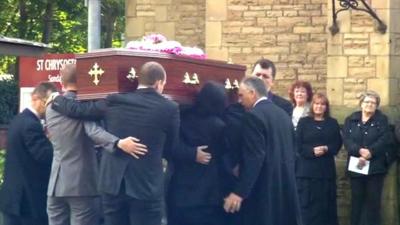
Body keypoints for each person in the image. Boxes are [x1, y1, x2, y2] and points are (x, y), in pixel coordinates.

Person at [49, 61, 179, 225]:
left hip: (113, 183)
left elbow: (80, 111)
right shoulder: (169, 108)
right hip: (146, 185)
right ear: (159, 83)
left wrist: (55, 99)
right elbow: (171, 149)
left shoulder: (114, 100)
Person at [223, 77, 302, 225]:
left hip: (264, 191)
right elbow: (293, 153)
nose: (239, 101)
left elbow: (254, 157)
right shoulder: (283, 115)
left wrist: (240, 192)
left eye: (241, 95)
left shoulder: (253, 116)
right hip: (285, 187)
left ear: (252, 93)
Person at [167, 82, 227, 225]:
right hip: (206, 195)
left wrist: (190, 153)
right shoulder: (219, 126)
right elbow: (223, 155)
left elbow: (170, 147)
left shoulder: (181, 118)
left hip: (179, 192)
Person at [0, 82, 57, 225]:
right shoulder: (31, 124)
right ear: (37, 99)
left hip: (13, 198)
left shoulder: (18, 120)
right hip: (27, 201)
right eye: (48, 102)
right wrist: (54, 141)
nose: (50, 107)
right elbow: (44, 156)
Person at [343, 90, 393, 225]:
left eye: (373, 102)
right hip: (356, 165)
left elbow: (385, 138)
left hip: (375, 166)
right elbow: (346, 139)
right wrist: (358, 150)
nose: (370, 105)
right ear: (361, 104)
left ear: (377, 105)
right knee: (356, 200)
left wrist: (371, 152)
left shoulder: (382, 120)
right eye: (367, 102)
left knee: (373, 202)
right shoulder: (351, 119)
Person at [295, 93, 342, 225]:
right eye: (316, 104)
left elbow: (337, 144)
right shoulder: (304, 122)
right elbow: (298, 145)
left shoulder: (332, 123)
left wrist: (327, 148)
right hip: (306, 172)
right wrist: (312, 151)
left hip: (325, 172)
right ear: (312, 105)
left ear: (326, 107)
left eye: (322, 104)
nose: (319, 107)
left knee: (325, 207)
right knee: (306, 206)